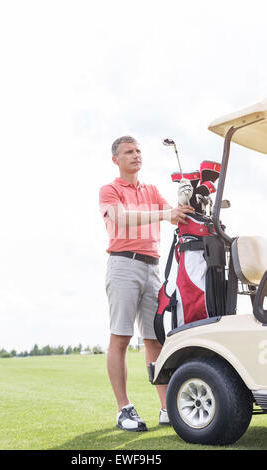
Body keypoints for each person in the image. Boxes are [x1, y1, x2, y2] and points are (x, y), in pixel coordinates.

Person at [99, 136, 194, 432]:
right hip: (123, 265)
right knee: (122, 338)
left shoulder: (152, 189)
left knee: (155, 339)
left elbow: (174, 217)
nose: (136, 155)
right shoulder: (110, 190)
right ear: (116, 159)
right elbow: (121, 219)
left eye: (138, 151)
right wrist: (165, 213)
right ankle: (123, 408)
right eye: (129, 152)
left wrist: (186, 200)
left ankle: (168, 408)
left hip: (153, 268)